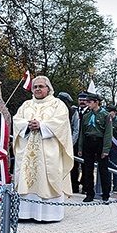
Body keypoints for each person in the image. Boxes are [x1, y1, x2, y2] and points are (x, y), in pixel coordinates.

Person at [12, 76, 74, 221]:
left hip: (48, 153)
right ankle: (24, 214)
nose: (38, 89)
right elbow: (16, 120)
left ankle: (49, 215)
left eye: (41, 86)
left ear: (48, 88)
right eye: (35, 87)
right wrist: (27, 125)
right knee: (26, 179)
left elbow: (61, 123)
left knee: (46, 179)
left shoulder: (57, 104)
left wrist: (42, 126)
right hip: (27, 152)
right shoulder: (26, 105)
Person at [78, 92, 112, 203]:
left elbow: (108, 133)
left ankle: (105, 194)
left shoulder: (105, 115)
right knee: (87, 170)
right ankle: (89, 193)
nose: (87, 104)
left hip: (100, 142)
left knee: (103, 170)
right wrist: (80, 148)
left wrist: (106, 149)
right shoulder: (86, 115)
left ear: (96, 102)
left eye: (89, 102)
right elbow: (82, 133)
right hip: (88, 142)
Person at [71, 92, 89, 193]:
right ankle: (74, 186)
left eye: (84, 100)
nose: (82, 102)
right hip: (75, 143)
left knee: (86, 166)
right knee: (73, 166)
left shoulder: (90, 112)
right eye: (80, 99)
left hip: (86, 143)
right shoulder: (73, 111)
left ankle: (85, 186)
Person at [106, 105, 117, 193]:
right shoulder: (106, 120)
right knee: (107, 167)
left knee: (115, 166)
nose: (109, 113)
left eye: (110, 111)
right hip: (107, 146)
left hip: (115, 147)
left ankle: (116, 185)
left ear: (115, 112)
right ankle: (107, 184)